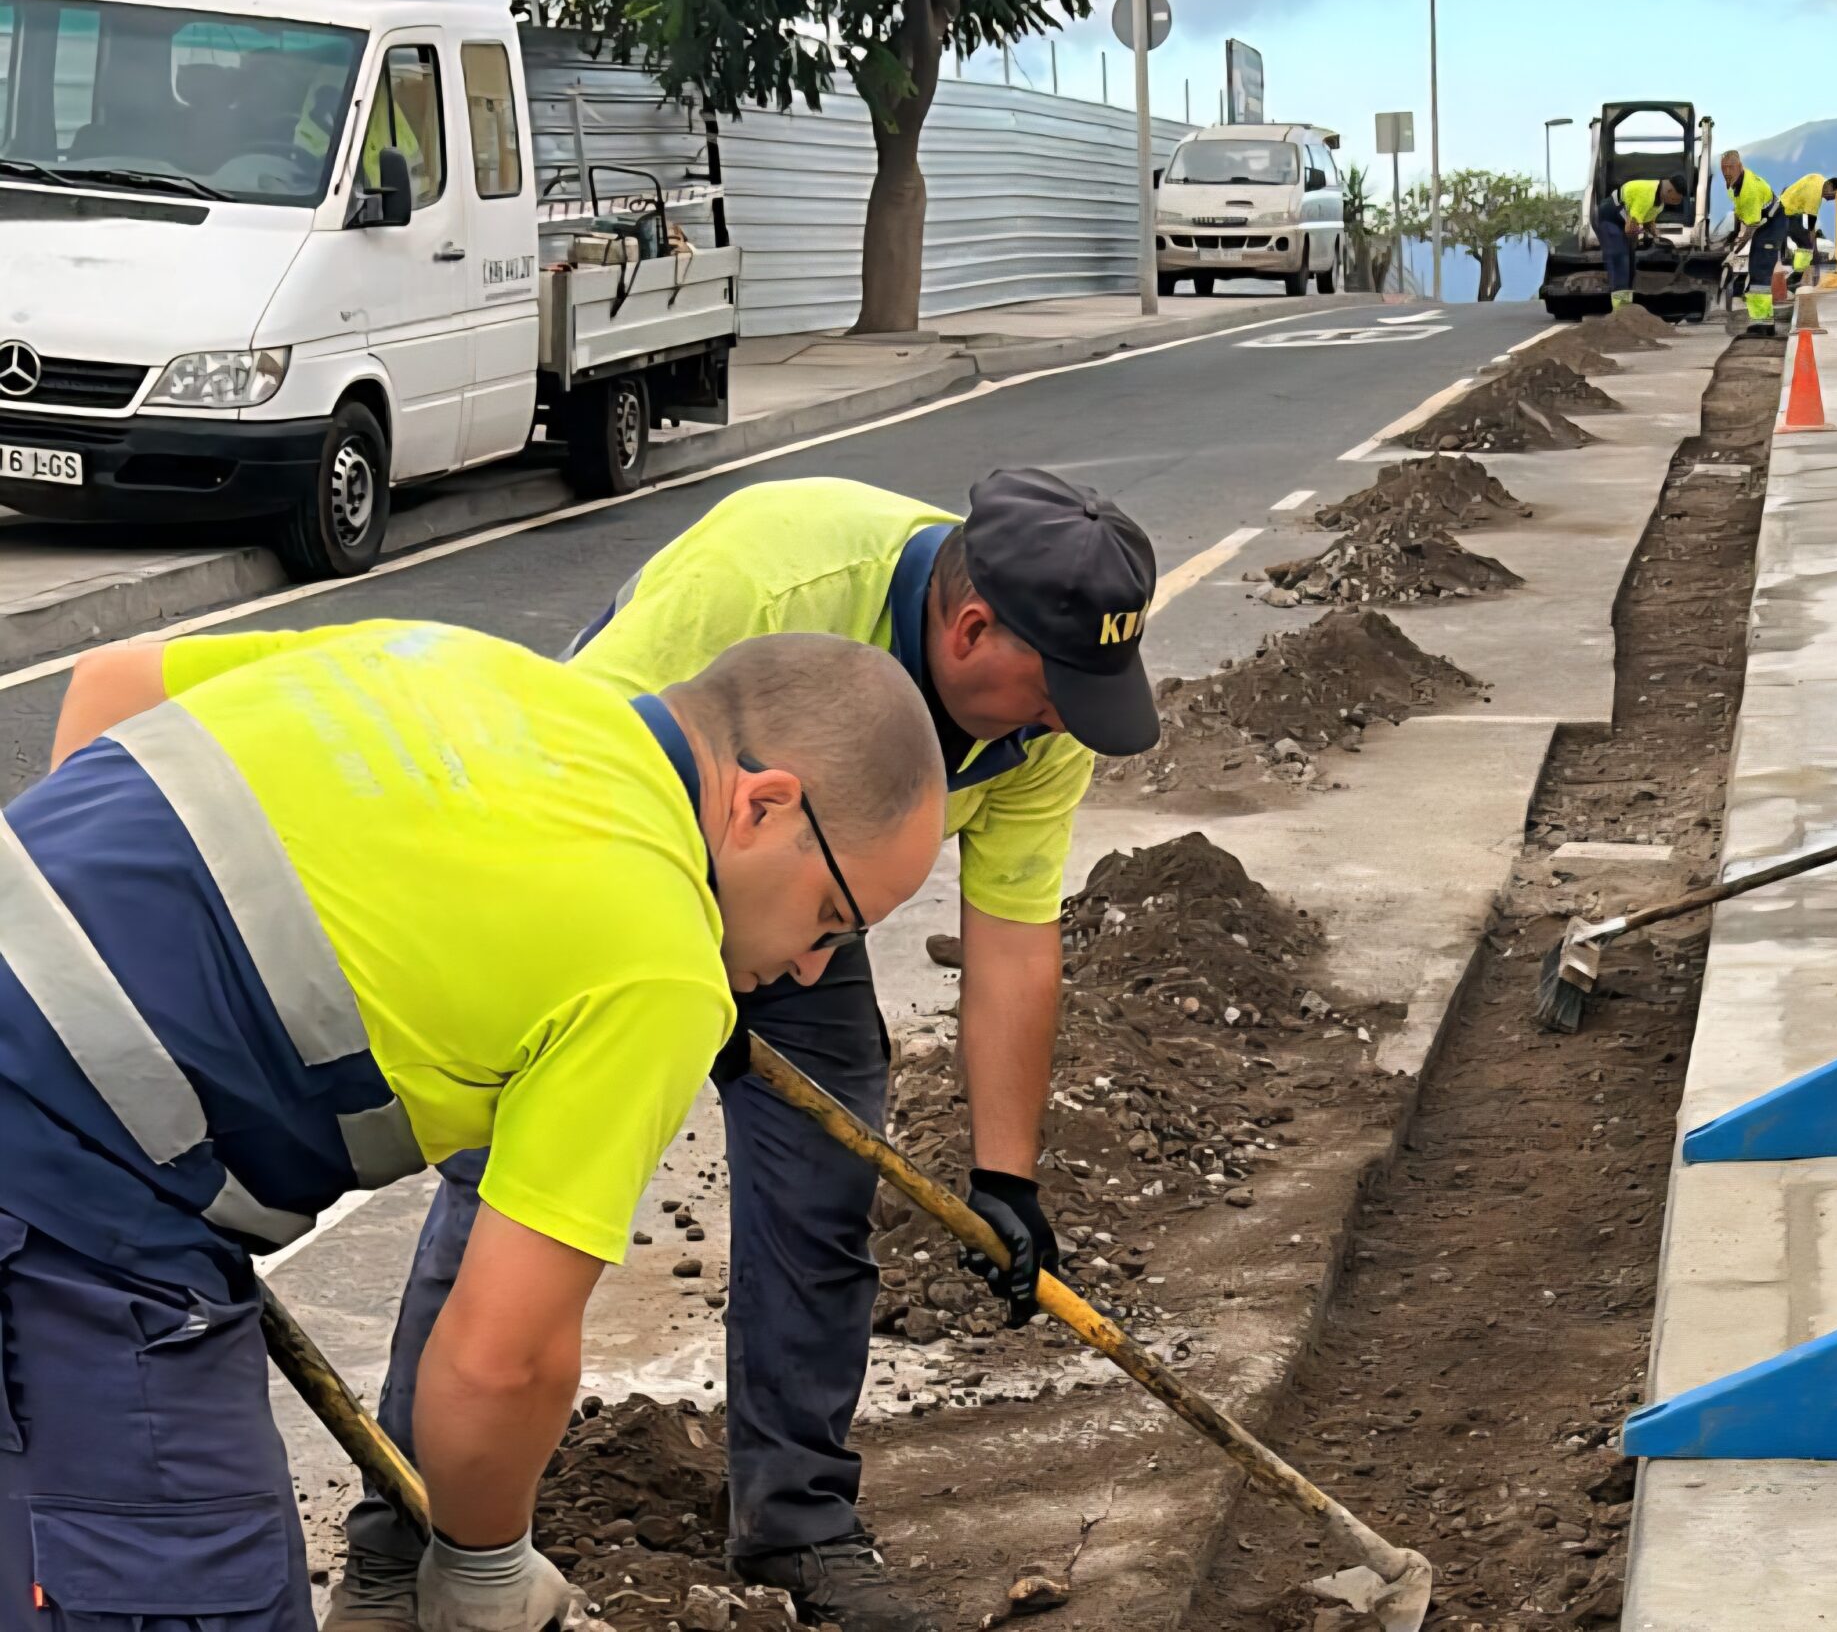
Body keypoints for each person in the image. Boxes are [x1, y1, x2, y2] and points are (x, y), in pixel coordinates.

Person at [334, 470, 1161, 1632]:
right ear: (972, 628)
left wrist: (1005, 1174)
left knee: (826, 1191)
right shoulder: (778, 572)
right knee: (509, 1198)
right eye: (1053, 691)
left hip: (807, 906)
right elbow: (572, 768)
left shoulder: (1043, 721)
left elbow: (1013, 939)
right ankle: (398, 1534)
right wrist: (664, 979)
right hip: (617, 863)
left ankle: (799, 1521)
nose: (1064, 718)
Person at [0, 621, 947, 1631]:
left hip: (65, 1158)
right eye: (833, 921)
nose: (812, 969)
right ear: (761, 804)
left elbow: (114, 681)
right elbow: (502, 1357)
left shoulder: (450, 657)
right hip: (68, 1202)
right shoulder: (661, 962)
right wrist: (483, 1561)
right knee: (194, 1589)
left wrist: (90, 962)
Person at [1594, 175, 1687, 312]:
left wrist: (1657, 236)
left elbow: (1648, 222)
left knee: (1631, 262)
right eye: (1674, 200)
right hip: (1610, 216)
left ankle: (1627, 307)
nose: (1674, 204)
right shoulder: (1647, 195)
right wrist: (1638, 238)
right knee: (1620, 257)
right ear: (1669, 192)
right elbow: (1630, 228)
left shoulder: (1660, 203)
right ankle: (1620, 310)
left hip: (1625, 220)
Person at [1720, 150, 1783, 337]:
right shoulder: (1735, 185)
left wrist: (1736, 250)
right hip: (1764, 226)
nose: (1727, 171)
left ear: (1739, 166)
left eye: (1731, 167)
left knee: (1759, 276)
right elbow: (1740, 213)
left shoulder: (1749, 190)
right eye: (1724, 167)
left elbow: (1751, 226)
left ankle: (1763, 325)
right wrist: (1733, 235)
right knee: (1756, 275)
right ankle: (1764, 323)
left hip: (1771, 226)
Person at [1777, 173, 1837, 286]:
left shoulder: (1819, 178)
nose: (1830, 200)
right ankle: (1794, 278)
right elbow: (1810, 228)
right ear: (1830, 185)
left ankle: (1796, 276)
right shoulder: (1814, 196)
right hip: (1785, 212)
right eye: (1833, 196)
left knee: (1805, 242)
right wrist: (1815, 253)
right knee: (1806, 244)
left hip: (1789, 209)